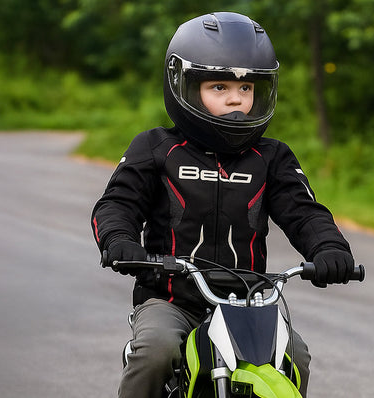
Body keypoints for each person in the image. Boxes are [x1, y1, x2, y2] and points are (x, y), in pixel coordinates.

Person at [91, 11, 356, 398]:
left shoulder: (272, 158)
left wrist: (330, 248)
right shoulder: (156, 148)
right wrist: (118, 240)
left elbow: (304, 212)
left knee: (295, 356)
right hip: (171, 300)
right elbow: (116, 204)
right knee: (155, 351)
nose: (236, 98)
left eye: (247, 88)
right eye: (219, 86)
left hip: (250, 305)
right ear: (183, 84)